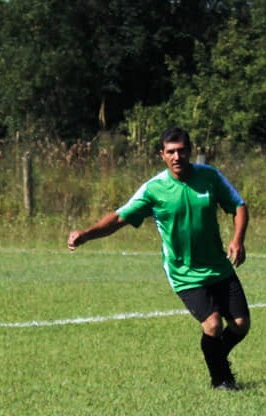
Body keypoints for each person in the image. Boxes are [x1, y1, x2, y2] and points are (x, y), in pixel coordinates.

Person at [67, 127, 250, 390]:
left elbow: (238, 205)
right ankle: (220, 378)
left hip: (219, 266)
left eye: (182, 151)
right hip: (184, 273)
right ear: (162, 155)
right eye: (171, 152)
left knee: (241, 325)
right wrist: (86, 234)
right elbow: (119, 217)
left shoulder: (210, 177)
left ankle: (216, 356)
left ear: (189, 151)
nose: (177, 156)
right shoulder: (154, 189)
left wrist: (238, 239)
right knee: (212, 325)